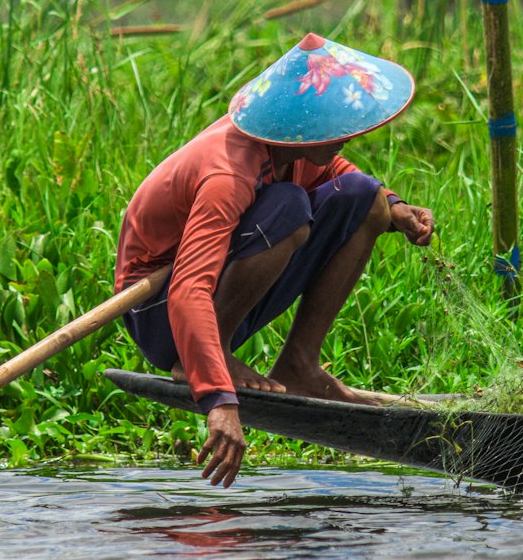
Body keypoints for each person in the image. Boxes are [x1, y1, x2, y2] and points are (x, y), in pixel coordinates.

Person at [115, 33, 434, 488]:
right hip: (160, 312)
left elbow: (341, 177)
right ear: (300, 125)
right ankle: (209, 358)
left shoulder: (293, 149)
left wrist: (395, 207)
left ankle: (300, 364)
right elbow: (188, 290)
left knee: (366, 196)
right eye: (333, 126)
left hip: (203, 290)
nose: (346, 137)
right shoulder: (227, 173)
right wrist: (219, 403)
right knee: (288, 207)